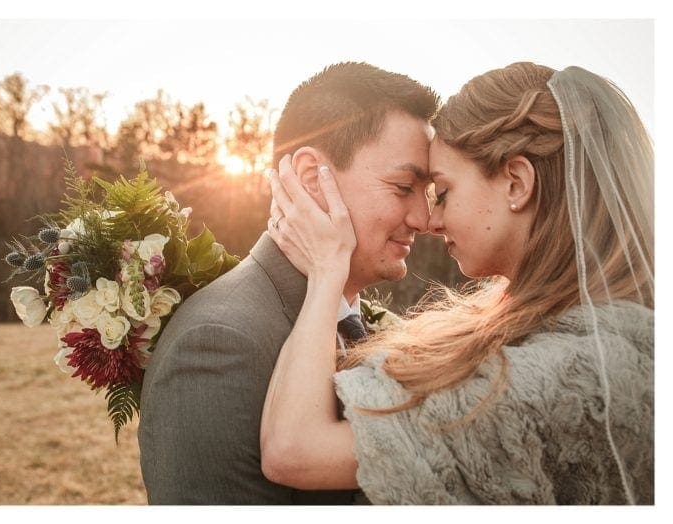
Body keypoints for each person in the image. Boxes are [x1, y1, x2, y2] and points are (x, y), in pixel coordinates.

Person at [260, 62, 653, 504]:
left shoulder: (564, 373)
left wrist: (326, 270)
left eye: (442, 192)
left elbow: (293, 450)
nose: (432, 219)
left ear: (517, 184)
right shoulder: (603, 333)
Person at [138, 62, 440, 504]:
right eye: (402, 187)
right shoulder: (220, 342)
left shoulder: (357, 320)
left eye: (428, 191)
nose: (424, 218)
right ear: (310, 177)